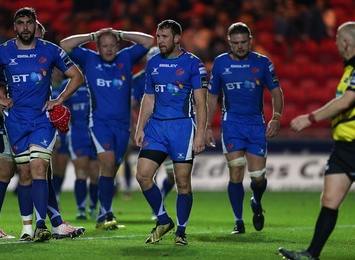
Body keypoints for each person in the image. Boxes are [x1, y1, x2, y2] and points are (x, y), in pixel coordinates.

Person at [0, 7, 84, 242]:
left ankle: (48, 223)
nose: (27, 28)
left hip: (39, 120)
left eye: (31, 24)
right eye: (21, 23)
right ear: (15, 27)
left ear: (36, 26)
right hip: (8, 123)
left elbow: (76, 75)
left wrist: (59, 99)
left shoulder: (48, 51)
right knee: (8, 174)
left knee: (40, 168)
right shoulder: (4, 54)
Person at [60, 27, 154, 230]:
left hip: (122, 126)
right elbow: (64, 45)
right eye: (104, 45)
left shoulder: (126, 58)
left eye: (113, 45)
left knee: (111, 170)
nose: (109, 49)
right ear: (98, 47)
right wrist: (91, 36)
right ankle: (105, 214)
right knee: (108, 165)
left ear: (118, 46)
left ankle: (104, 213)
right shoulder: (90, 59)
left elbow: (148, 41)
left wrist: (121, 33)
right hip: (99, 124)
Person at [278, 21, 355, 260]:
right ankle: (311, 254)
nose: (335, 45)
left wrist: (310, 118)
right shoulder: (349, 70)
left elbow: (346, 102)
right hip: (344, 147)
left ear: (345, 43)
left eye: (336, 40)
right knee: (329, 199)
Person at [134, 19, 208, 246]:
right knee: (143, 175)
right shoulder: (153, 63)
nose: (160, 41)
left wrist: (200, 134)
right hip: (156, 128)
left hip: (182, 128)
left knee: (183, 183)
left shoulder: (194, 64)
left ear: (177, 38)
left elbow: (200, 102)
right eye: (158, 36)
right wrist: (140, 127)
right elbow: (149, 97)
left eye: (164, 37)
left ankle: (181, 231)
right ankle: (164, 219)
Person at [206, 22, 284, 235]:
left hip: (255, 126)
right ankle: (238, 222)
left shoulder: (263, 63)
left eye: (244, 42)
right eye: (236, 43)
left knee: (258, 177)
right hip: (231, 125)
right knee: (236, 172)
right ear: (229, 42)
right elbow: (212, 96)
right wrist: (206, 125)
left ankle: (256, 201)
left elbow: (276, 92)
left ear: (250, 40)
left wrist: (276, 118)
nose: (240, 46)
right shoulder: (220, 64)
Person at [131, 46, 176, 219]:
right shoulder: (138, 80)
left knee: (172, 175)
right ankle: (158, 209)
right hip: (151, 131)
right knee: (147, 172)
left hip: (171, 128)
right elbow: (133, 104)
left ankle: (161, 197)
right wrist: (137, 125)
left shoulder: (172, 76)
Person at [50, 67, 100, 220]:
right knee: (81, 173)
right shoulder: (69, 86)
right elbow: (60, 111)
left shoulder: (96, 87)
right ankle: (80, 210)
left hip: (95, 133)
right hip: (77, 135)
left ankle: (92, 207)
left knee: (95, 175)